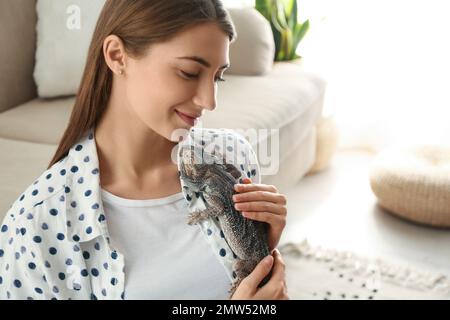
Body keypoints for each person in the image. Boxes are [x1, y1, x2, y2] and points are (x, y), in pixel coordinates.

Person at [0, 0, 288, 300]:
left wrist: (263, 251)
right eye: (189, 72)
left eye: (217, 77)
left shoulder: (232, 156)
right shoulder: (37, 225)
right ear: (116, 56)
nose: (209, 101)